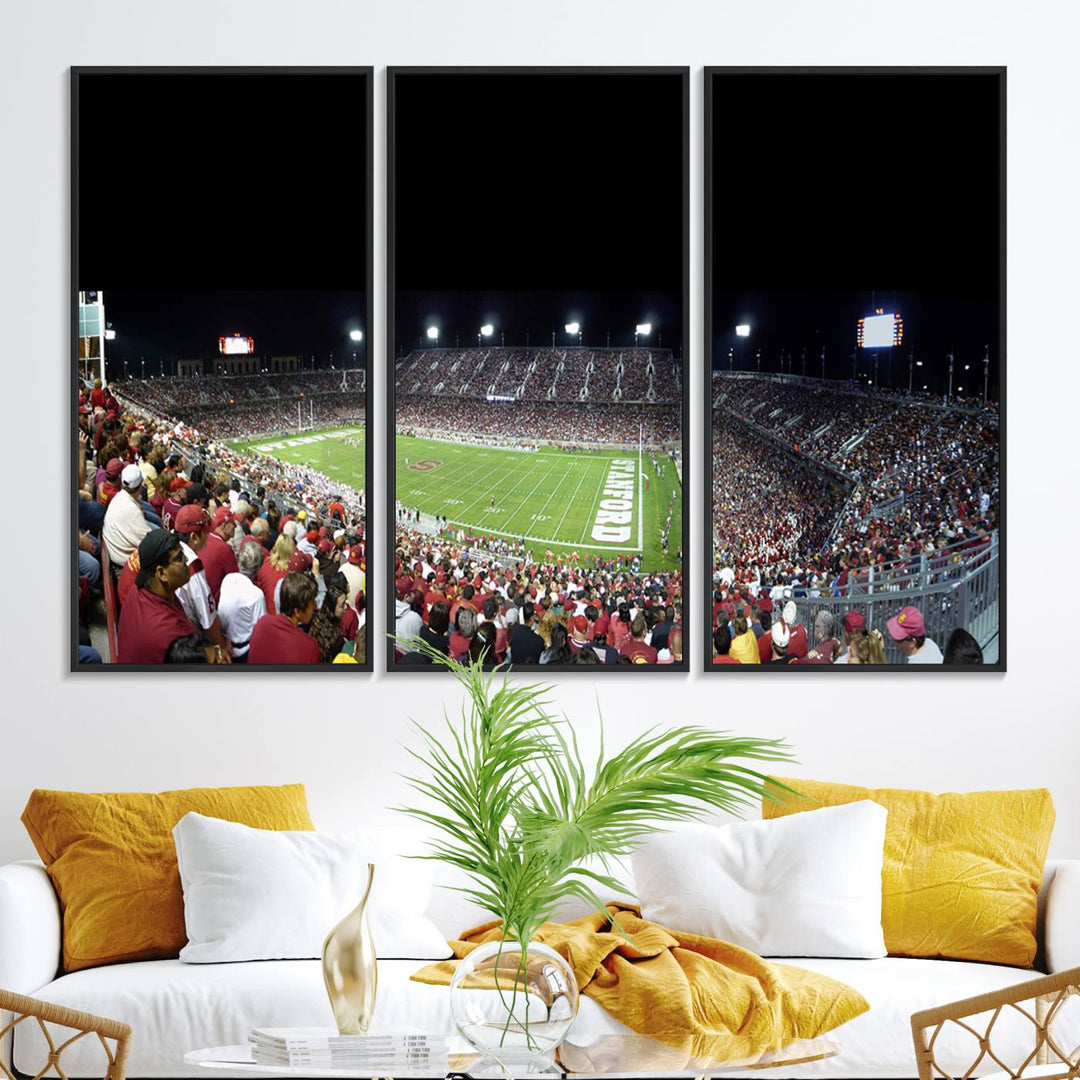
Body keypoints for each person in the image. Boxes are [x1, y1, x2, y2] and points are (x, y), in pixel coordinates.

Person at [116, 530, 196, 664]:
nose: (186, 560)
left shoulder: (138, 590)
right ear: (162, 573)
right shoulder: (171, 635)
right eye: (180, 557)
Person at [172, 505, 228, 653]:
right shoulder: (191, 566)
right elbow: (208, 621)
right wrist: (221, 648)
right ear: (194, 537)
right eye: (205, 533)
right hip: (183, 635)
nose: (208, 536)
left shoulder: (170, 542)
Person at [248, 571, 321, 664]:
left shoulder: (262, 623)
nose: (315, 606)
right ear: (297, 612)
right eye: (312, 603)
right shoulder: (309, 647)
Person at [218, 542, 267, 663]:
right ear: (259, 567)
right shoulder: (256, 595)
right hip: (242, 652)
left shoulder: (228, 579)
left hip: (223, 644)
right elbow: (261, 631)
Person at [102, 463, 153, 567]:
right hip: (124, 562)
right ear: (139, 487)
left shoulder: (119, 497)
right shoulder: (133, 512)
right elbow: (152, 542)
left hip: (116, 552)